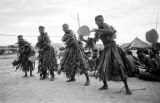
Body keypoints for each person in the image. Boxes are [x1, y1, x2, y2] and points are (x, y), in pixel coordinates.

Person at [92, 15, 133, 95]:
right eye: (99, 20)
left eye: (102, 19)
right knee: (102, 66)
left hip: (113, 48)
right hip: (106, 49)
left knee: (118, 65)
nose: (101, 21)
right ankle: (105, 85)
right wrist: (83, 39)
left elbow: (111, 31)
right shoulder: (98, 31)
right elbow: (94, 40)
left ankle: (127, 87)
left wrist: (98, 30)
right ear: (96, 22)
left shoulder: (105, 25)